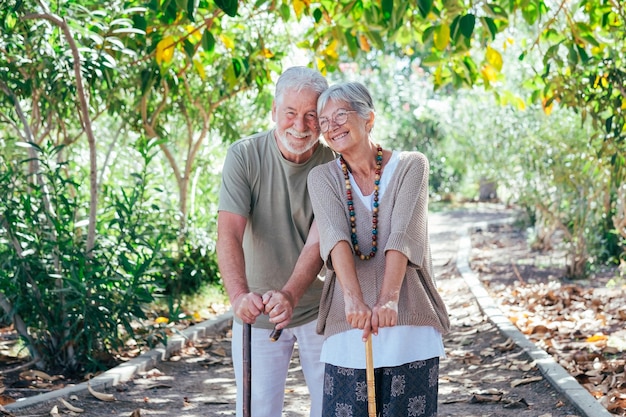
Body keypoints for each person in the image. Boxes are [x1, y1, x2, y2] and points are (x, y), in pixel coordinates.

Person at [307, 81, 451, 417]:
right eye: (324, 122)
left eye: (340, 115)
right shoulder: (322, 178)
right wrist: (354, 300)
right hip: (349, 327)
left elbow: (403, 233)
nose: (332, 127)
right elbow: (335, 236)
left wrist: (388, 299)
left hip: (408, 320)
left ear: (368, 118)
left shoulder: (412, 165)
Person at [216, 66, 335, 417]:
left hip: (320, 311)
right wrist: (238, 297)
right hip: (258, 312)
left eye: (311, 116)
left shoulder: (333, 164)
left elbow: (318, 243)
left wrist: (290, 295)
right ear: (273, 112)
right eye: (291, 114)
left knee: (332, 408)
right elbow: (229, 234)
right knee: (256, 411)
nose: (300, 126)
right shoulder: (245, 156)